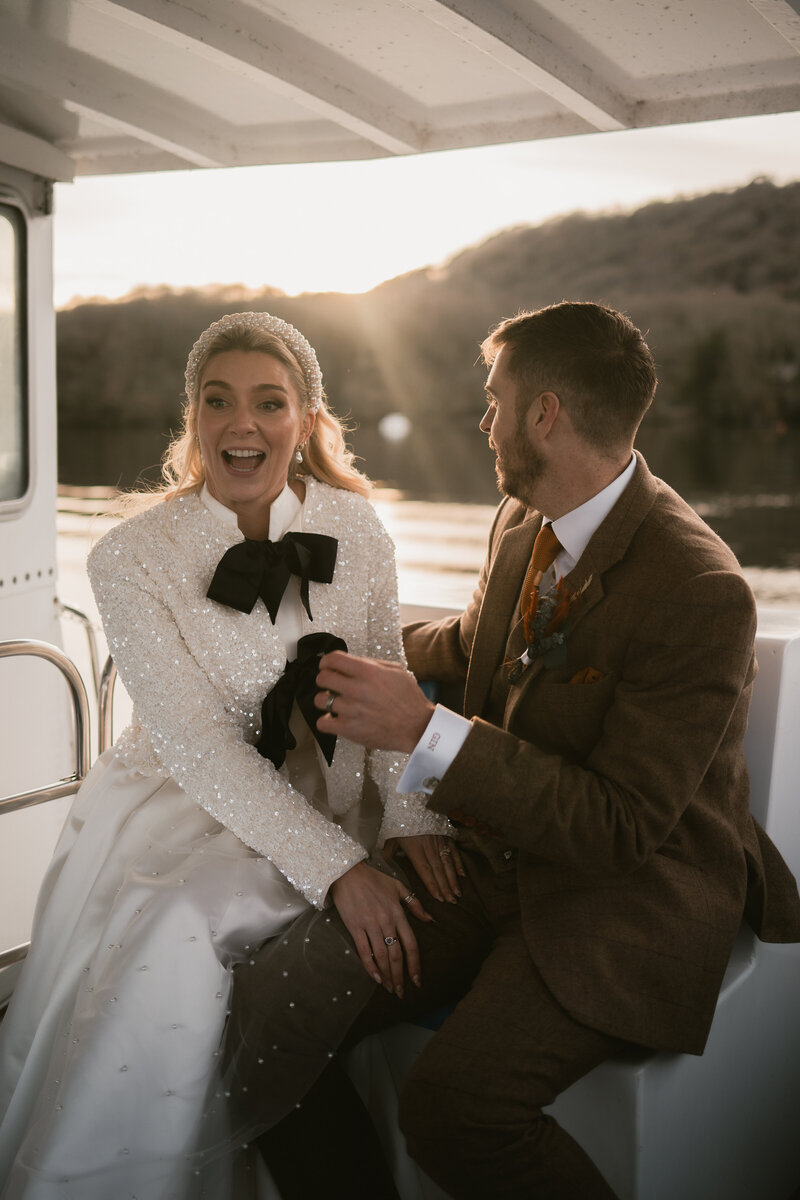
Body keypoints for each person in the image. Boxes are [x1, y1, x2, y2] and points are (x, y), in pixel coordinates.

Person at [241, 301, 800, 1199]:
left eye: (494, 400)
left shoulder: (700, 589)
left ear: (546, 413)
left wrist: (423, 733)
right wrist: (341, 648)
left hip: (620, 902)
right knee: (271, 1017)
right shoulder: (522, 516)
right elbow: (472, 647)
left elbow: (618, 829)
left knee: (454, 1110)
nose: (483, 419)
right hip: (487, 862)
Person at [0, 311, 461, 1199]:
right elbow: (200, 746)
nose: (240, 424)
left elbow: (389, 687)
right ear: (193, 418)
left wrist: (413, 818)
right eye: (218, 402)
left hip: (330, 790)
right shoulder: (128, 557)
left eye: (268, 402)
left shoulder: (358, 530)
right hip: (180, 800)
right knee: (180, 925)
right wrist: (341, 872)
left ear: (306, 421)